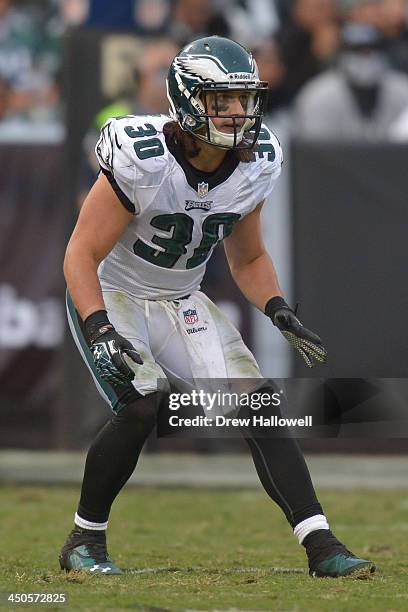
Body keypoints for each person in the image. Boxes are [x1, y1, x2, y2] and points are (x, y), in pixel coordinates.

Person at [59, 36, 375, 578]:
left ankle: (321, 546)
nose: (237, 113)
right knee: (139, 405)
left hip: (182, 297)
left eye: (243, 99)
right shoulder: (145, 155)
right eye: (221, 100)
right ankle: (84, 541)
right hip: (114, 291)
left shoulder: (254, 162)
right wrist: (98, 325)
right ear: (186, 101)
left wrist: (278, 307)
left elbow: (248, 258)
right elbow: (80, 253)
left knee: (260, 407)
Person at [293, 23, 408, 140]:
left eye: (371, 50)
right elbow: (313, 151)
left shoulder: (403, 91)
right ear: (341, 54)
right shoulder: (318, 95)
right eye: (357, 51)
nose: (366, 59)